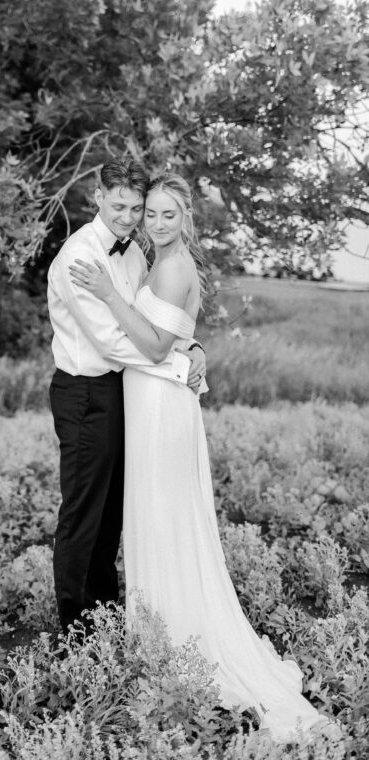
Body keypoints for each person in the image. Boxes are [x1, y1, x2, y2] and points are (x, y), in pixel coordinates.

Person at [69, 172, 337, 743]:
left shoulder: (171, 264)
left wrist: (113, 296)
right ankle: (157, 635)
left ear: (185, 217)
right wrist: (194, 345)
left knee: (165, 517)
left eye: (167, 214)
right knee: (156, 517)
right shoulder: (152, 255)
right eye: (149, 214)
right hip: (149, 401)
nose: (156, 223)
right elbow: (172, 335)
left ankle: (176, 641)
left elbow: (154, 345)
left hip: (162, 408)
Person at [46, 159, 206, 635]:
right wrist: (175, 362)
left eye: (137, 208)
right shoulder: (79, 256)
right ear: (97, 196)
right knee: (82, 510)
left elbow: (154, 324)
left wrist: (191, 345)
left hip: (123, 391)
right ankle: (76, 632)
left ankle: (104, 610)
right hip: (84, 395)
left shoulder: (135, 254)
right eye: (120, 206)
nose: (129, 218)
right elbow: (112, 342)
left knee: (114, 508)